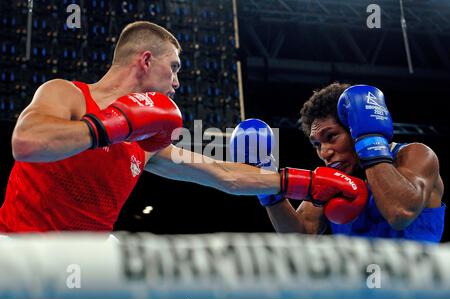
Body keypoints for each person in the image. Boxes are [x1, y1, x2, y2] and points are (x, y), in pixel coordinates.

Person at [0, 22, 366, 232]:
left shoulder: (146, 142)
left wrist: (308, 182)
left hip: (79, 269)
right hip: (17, 256)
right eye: (173, 67)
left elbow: (225, 174)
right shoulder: (68, 95)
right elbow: (27, 142)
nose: (176, 83)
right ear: (145, 60)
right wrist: (114, 125)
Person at [251, 82, 445, 242]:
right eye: (317, 144)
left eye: (331, 137)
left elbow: (401, 212)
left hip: (417, 285)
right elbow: (302, 234)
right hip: (358, 287)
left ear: (354, 129)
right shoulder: (333, 179)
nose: (325, 152)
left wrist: (369, 142)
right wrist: (268, 192)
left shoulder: (415, 155)